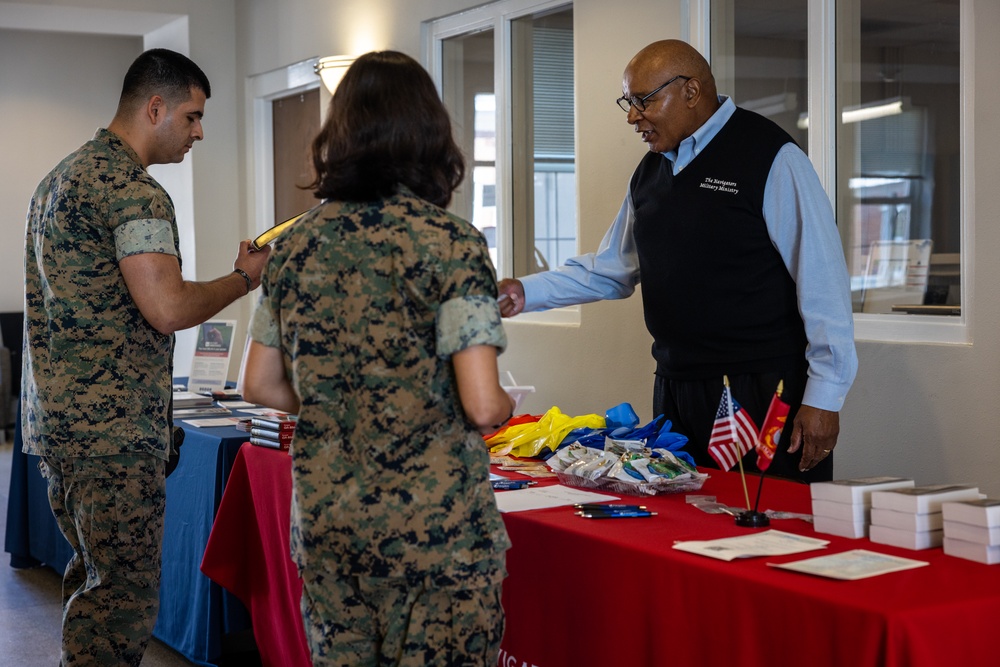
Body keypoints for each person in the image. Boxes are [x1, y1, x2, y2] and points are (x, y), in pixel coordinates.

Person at [241, 50, 515, 666]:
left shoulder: (294, 247)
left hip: (330, 526)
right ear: (428, 134)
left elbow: (258, 382)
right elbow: (480, 402)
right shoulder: (450, 243)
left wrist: (341, 400)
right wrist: (497, 401)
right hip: (435, 536)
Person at [498, 39, 858, 483]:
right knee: (685, 524)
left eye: (643, 101)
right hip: (676, 387)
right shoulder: (650, 172)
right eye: (628, 103)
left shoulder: (771, 157)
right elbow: (612, 268)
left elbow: (823, 282)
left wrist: (826, 396)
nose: (633, 117)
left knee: (770, 526)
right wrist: (523, 292)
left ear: (690, 91)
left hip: (762, 390)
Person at [22, 48, 271, 665]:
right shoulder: (133, 192)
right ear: (154, 107)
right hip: (113, 438)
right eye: (191, 116)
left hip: (63, 427)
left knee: (94, 592)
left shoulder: (60, 178)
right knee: (118, 612)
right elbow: (168, 307)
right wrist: (244, 279)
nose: (199, 132)